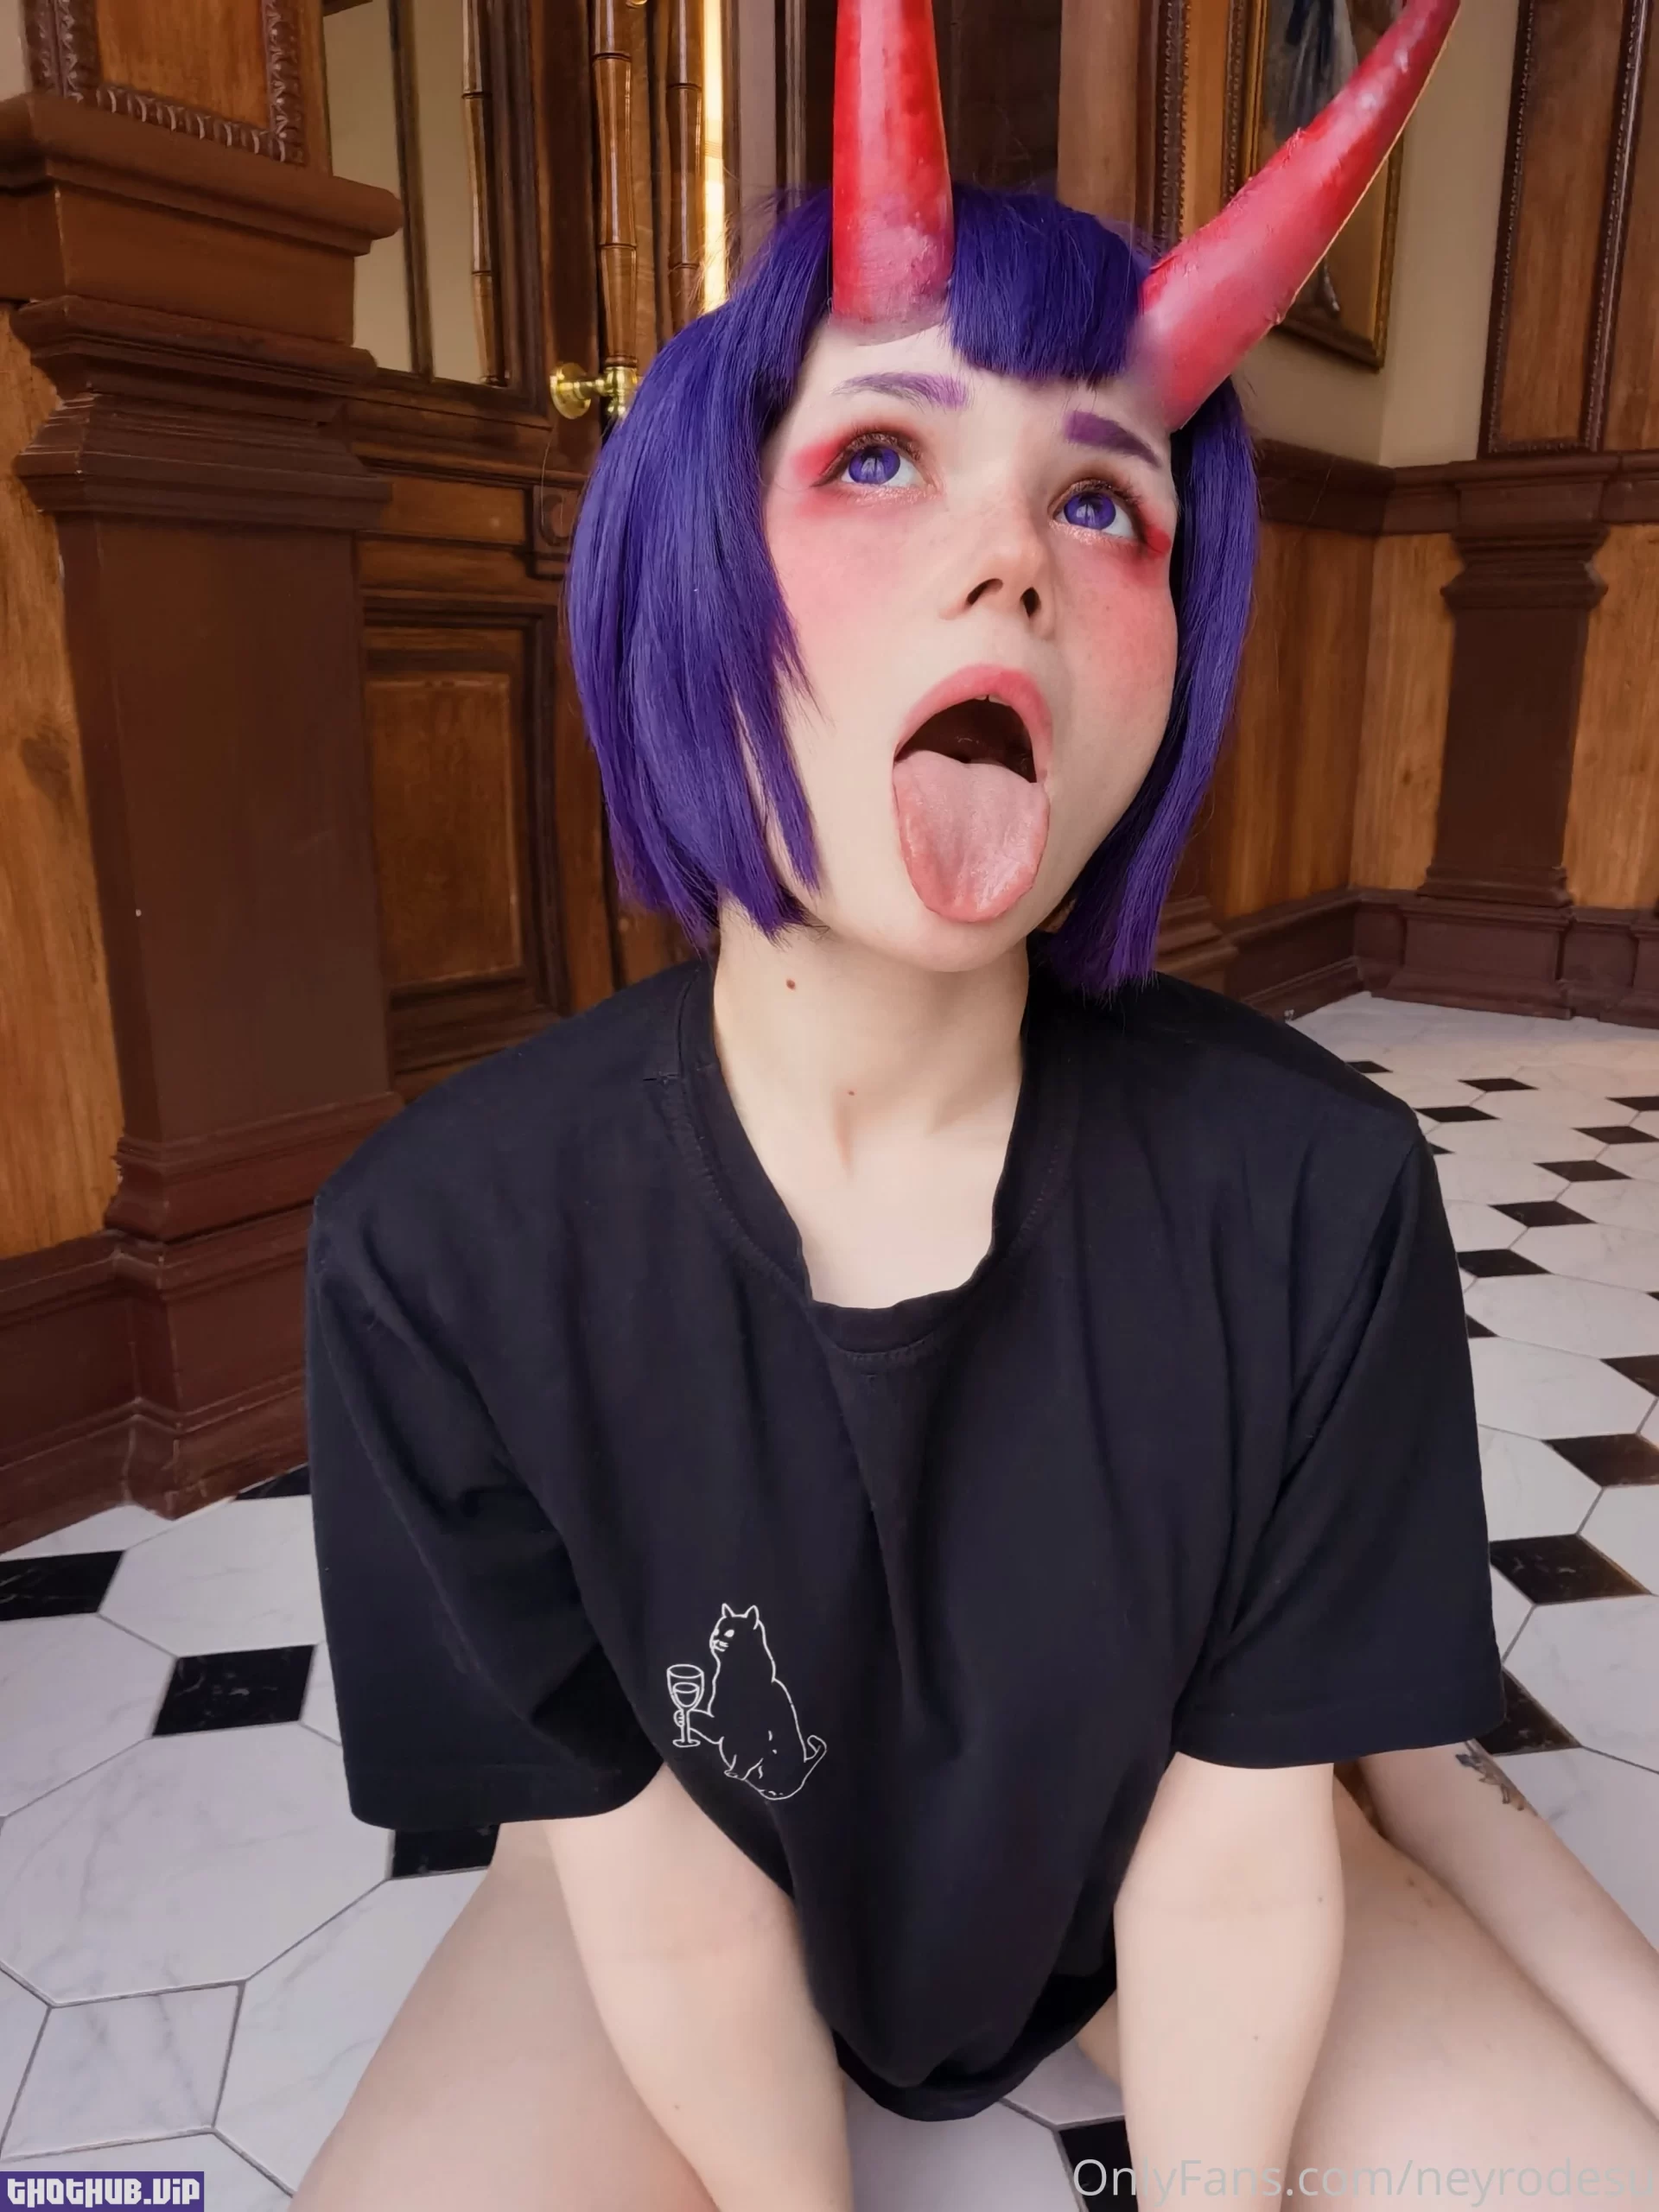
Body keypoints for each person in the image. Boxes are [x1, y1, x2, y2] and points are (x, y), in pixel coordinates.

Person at [293, 1, 1659, 2202]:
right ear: (694, 562)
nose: (1017, 554)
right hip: (684, 1895)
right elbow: (658, 1896)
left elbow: (1229, 1876)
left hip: (1160, 1862)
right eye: (876, 457)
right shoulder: (436, 1251)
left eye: (1101, 501)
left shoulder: (1311, 1193)